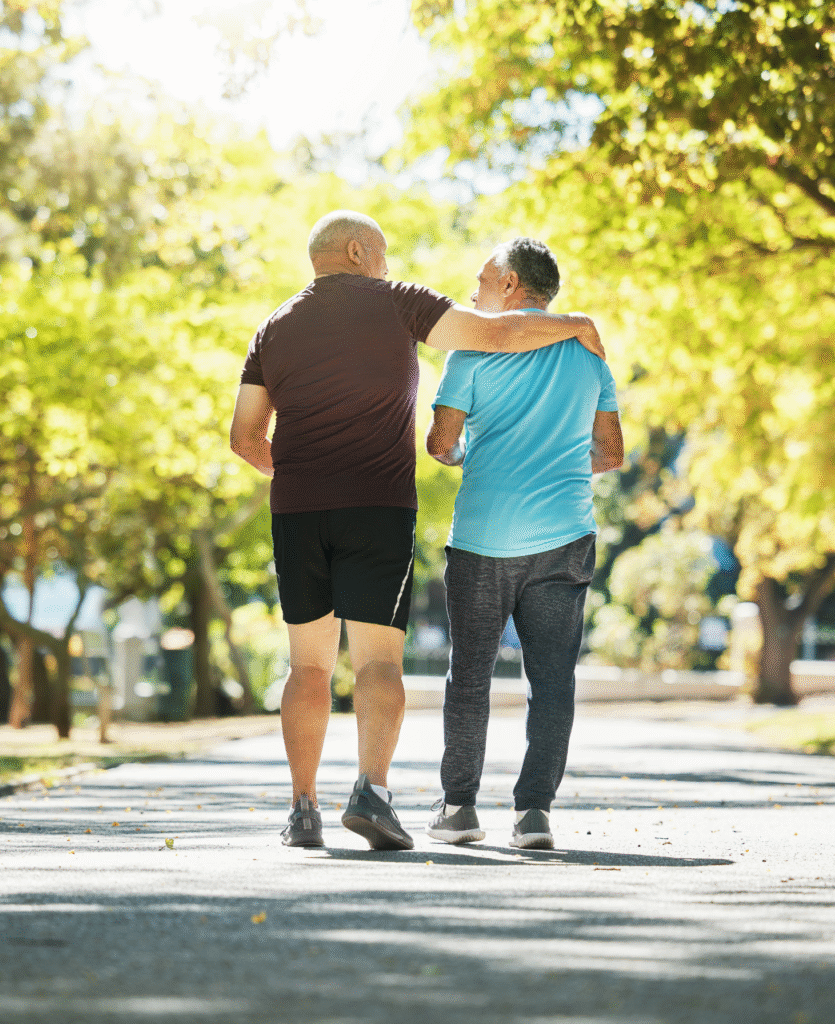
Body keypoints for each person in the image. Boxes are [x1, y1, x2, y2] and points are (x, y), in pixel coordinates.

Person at [229, 211, 606, 851]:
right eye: (382, 252)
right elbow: (494, 332)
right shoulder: (398, 301)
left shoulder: (275, 325)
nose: (388, 264)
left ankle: (303, 809)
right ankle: (371, 794)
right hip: (377, 509)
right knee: (378, 662)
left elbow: (244, 437)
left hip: (298, 512)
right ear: (357, 251)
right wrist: (578, 324)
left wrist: (298, 472)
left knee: (307, 665)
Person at [424, 237, 623, 850]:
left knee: (470, 674)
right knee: (553, 679)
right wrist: (555, 464)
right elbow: (612, 453)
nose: (474, 290)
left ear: (510, 283)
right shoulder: (589, 357)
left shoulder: (471, 352)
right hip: (566, 536)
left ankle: (459, 808)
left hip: (484, 536)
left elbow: (440, 443)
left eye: (483, 279)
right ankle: (534, 814)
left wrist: (470, 455)